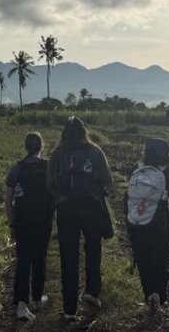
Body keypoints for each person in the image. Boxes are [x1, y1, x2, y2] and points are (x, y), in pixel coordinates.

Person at [47, 116, 113, 320]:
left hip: (66, 208)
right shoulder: (95, 151)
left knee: (68, 255)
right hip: (91, 206)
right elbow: (107, 180)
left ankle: (69, 308)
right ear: (84, 131)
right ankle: (92, 292)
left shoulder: (57, 153)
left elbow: (50, 184)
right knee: (93, 248)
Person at [125, 138, 169, 317]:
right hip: (158, 219)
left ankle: (148, 294)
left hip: (137, 220)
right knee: (160, 258)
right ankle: (159, 294)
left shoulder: (137, 168)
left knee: (143, 258)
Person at [4, 132, 54, 321]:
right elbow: (54, 194)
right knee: (40, 257)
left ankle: (21, 303)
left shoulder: (16, 169)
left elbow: (9, 200)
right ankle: (37, 298)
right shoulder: (49, 167)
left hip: (23, 221)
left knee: (23, 259)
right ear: (41, 146)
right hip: (43, 220)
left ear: (25, 147)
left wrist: (12, 223)